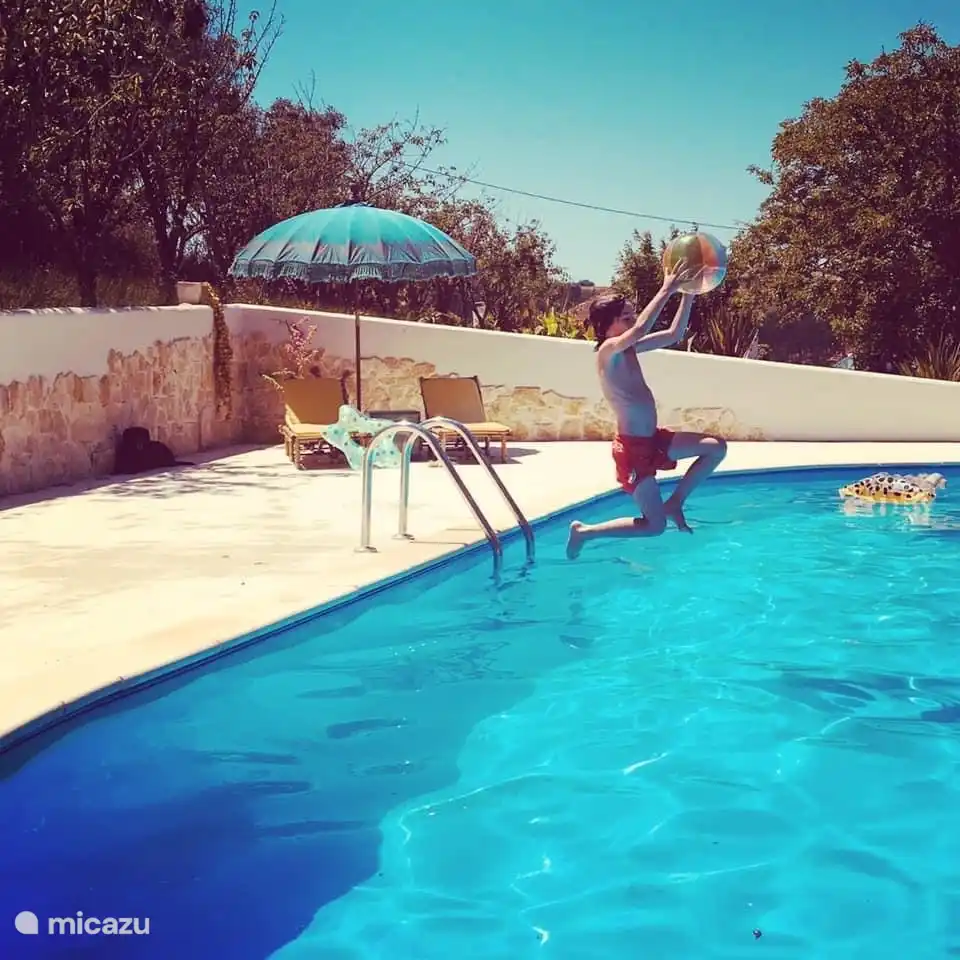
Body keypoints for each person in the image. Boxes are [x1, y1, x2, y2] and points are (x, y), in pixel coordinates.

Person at [566, 259, 728, 560]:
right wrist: (667, 287)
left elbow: (674, 334)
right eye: (625, 318)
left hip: (654, 439)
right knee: (655, 527)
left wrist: (689, 291)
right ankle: (584, 532)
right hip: (632, 452)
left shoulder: (628, 348)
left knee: (716, 448)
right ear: (607, 325)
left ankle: (676, 501)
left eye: (631, 316)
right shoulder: (608, 352)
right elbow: (641, 329)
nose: (632, 321)